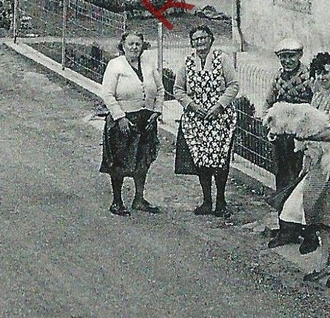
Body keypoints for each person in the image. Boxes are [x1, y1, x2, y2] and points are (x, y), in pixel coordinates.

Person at [285, 51, 330, 288]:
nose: (321, 77)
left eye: (326, 72)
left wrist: (306, 135)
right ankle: (326, 261)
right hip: (317, 161)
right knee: (321, 211)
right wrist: (306, 151)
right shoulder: (317, 98)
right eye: (318, 72)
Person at [173, 23, 240, 216]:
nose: (200, 42)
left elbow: (233, 85)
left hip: (220, 118)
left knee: (220, 160)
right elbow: (178, 89)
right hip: (197, 119)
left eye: (203, 38)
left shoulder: (222, 59)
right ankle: (206, 200)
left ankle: (220, 200)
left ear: (211, 39)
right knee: (201, 159)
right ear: (192, 43)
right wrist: (192, 106)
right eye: (196, 39)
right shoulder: (187, 62)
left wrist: (219, 106)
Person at [98, 29, 163, 216]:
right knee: (119, 161)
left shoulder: (148, 65)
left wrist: (156, 111)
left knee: (143, 160)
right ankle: (117, 201)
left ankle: (139, 199)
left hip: (146, 120)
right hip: (123, 121)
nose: (135, 47)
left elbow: (160, 90)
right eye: (131, 44)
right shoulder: (115, 65)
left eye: (138, 44)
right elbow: (107, 94)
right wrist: (120, 117)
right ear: (123, 46)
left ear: (142, 46)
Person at [263, 38, 317, 251]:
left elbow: (315, 107)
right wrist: (269, 124)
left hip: (303, 139)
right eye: (283, 57)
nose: (287, 61)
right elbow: (268, 103)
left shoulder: (308, 78)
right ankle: (286, 229)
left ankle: (308, 232)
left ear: (300, 56)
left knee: (303, 183)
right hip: (283, 139)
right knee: (283, 180)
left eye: (291, 56)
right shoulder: (277, 78)